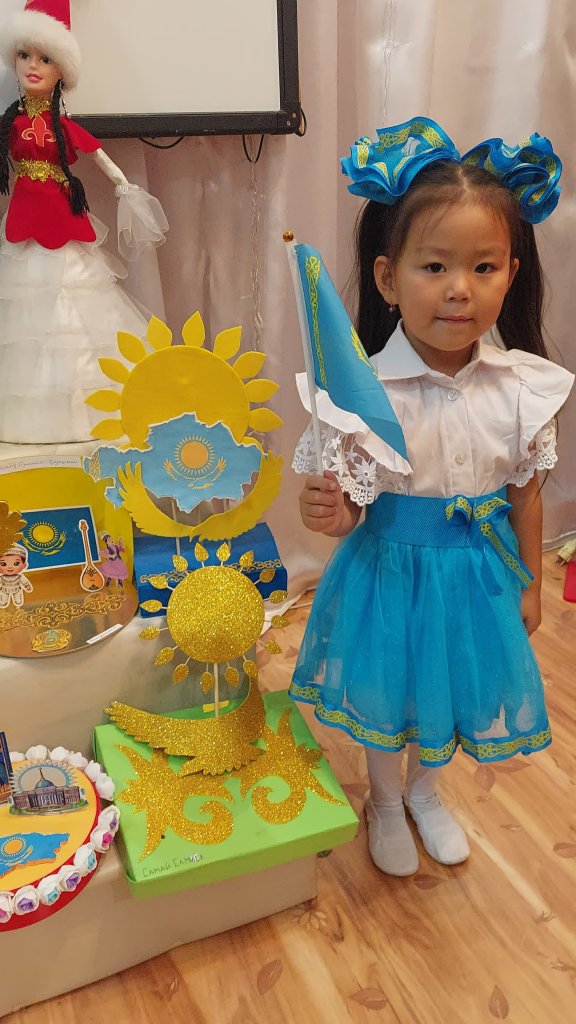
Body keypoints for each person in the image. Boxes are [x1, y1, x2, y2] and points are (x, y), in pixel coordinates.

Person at [290, 117, 574, 876]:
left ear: (511, 274)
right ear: (389, 278)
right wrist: (333, 512)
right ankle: (385, 799)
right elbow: (350, 504)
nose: (459, 289)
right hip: (389, 573)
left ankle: (426, 792)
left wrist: (531, 582)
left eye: (483, 267)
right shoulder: (362, 396)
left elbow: (526, 493)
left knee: (448, 690)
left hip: (476, 574)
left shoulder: (521, 389)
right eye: (435, 266)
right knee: (392, 694)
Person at [0, 0, 167, 444]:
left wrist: (125, 189)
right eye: (25, 55)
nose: (32, 66)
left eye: (45, 58)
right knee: (23, 313)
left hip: (61, 214)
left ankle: (80, 415)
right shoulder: (11, 123)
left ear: (62, 70)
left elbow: (99, 157)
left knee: (72, 305)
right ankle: (26, 418)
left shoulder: (62, 126)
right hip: (24, 219)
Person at [0, 542, 33, 608]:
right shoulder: (1, 577)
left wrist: (27, 586)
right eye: (3, 564)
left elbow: (25, 581)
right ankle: (3, 602)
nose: (10, 567)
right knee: (3, 598)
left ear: (24, 565)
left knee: (18, 598)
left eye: (16, 563)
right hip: (4, 589)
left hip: (17, 589)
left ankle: (18, 601)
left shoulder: (20, 577)